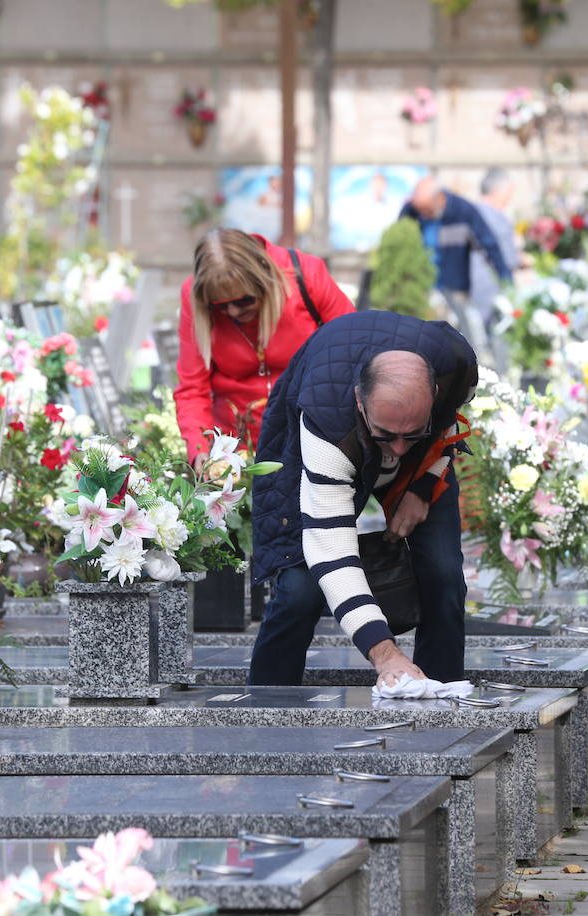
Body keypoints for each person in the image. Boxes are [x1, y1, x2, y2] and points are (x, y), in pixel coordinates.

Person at [246, 311, 477, 687]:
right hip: (330, 434)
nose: (399, 449)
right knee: (299, 591)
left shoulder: (454, 366)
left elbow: (449, 424)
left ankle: (441, 701)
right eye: (387, 434)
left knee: (443, 575)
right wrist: (385, 655)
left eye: (412, 434)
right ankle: (266, 713)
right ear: (359, 401)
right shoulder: (327, 427)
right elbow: (332, 551)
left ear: (433, 394)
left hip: (424, 454)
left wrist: (421, 487)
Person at [174, 228, 354, 465]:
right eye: (220, 306)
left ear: (265, 277)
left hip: (314, 438)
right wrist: (199, 449)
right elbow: (192, 387)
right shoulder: (193, 297)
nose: (234, 312)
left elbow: (353, 351)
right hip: (236, 452)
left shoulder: (305, 275)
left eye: (244, 300)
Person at [398, 176, 513, 357]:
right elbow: (398, 244)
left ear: (440, 199)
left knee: (462, 337)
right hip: (421, 286)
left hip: (453, 285)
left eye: (426, 210)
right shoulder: (410, 211)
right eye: (420, 210)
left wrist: (505, 277)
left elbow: (489, 244)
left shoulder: (463, 211)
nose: (423, 215)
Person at [469, 167, 520, 370]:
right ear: (499, 192)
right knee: (497, 357)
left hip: (468, 289)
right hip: (491, 293)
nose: (509, 199)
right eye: (509, 194)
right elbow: (509, 260)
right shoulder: (499, 219)